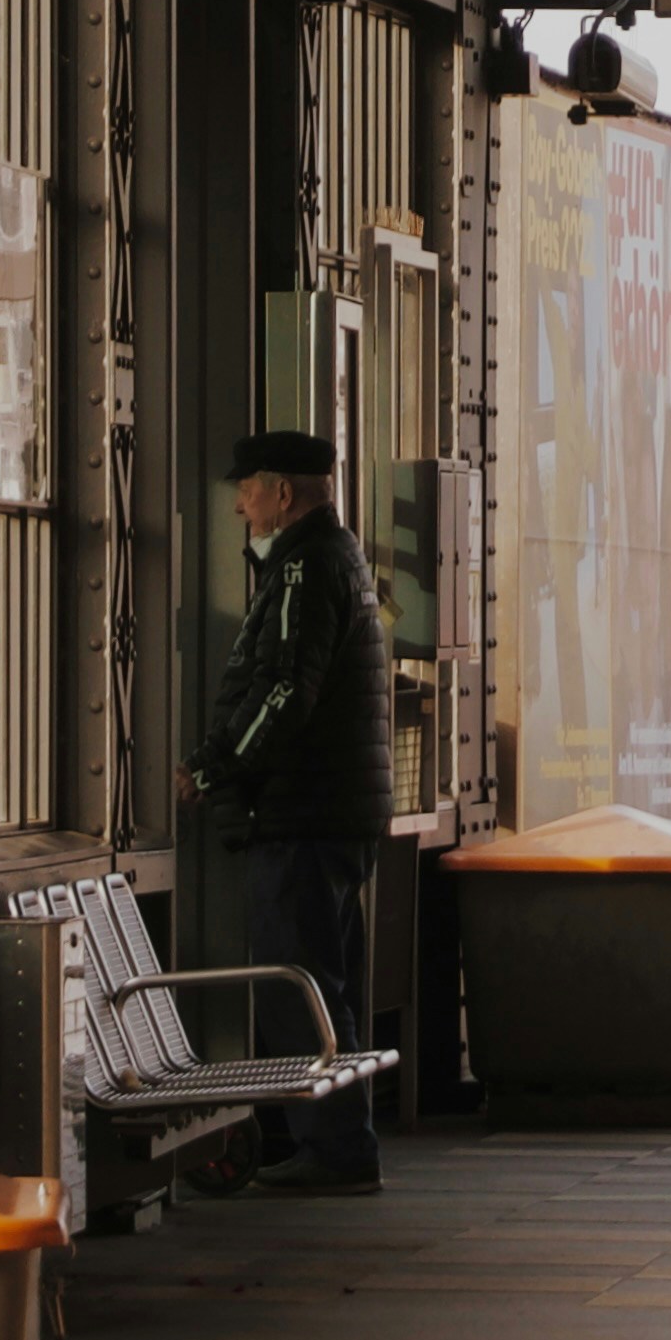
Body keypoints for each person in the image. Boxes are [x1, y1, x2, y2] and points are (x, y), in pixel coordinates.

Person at [183, 427, 390, 1193]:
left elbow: (283, 693)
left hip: (306, 815)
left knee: (294, 982)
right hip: (337, 812)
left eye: (247, 489)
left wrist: (213, 766)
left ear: (282, 492)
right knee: (325, 985)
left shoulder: (305, 570)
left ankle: (333, 1148)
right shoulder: (341, 559)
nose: (238, 505)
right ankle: (336, 1137)